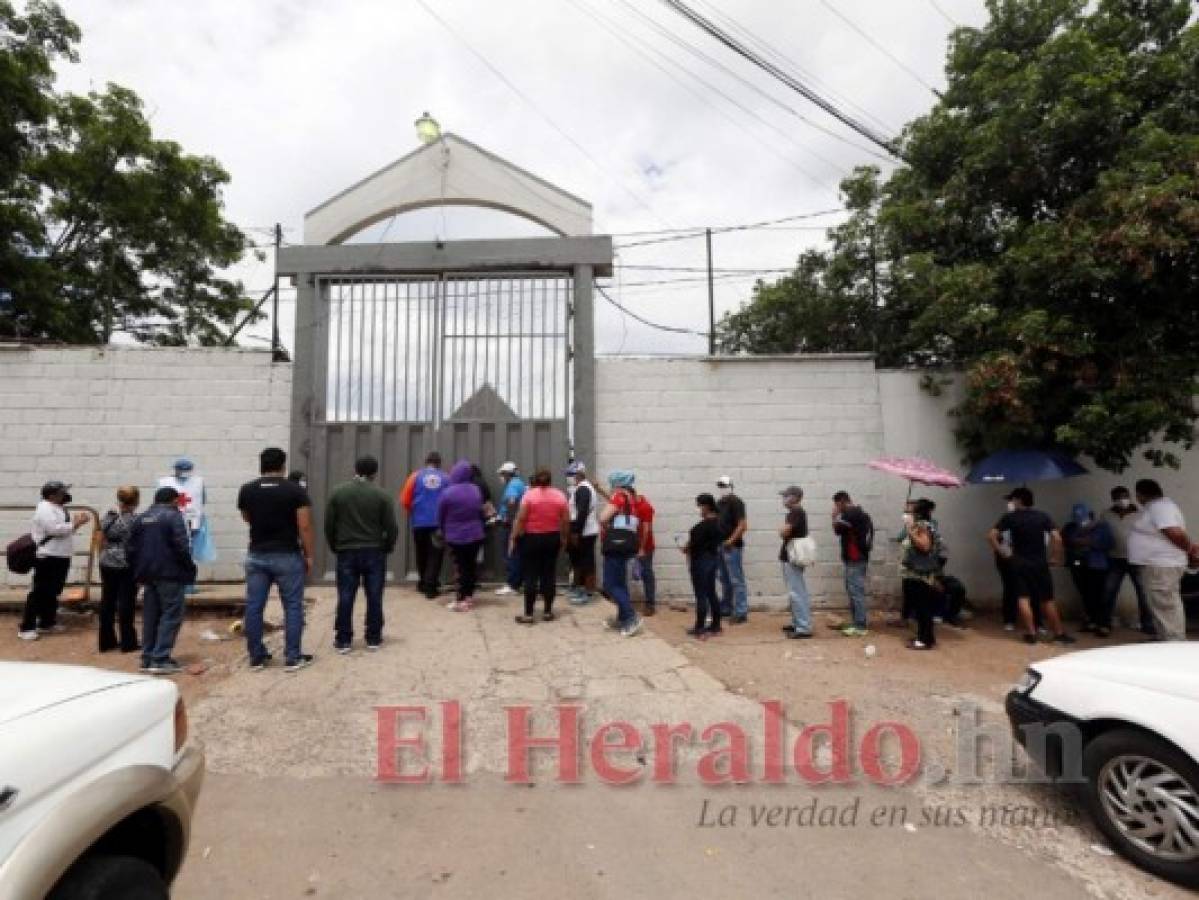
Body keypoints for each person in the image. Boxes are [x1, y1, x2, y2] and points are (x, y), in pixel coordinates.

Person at [237, 446, 316, 672]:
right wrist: (309, 555)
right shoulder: (295, 491)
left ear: (261, 465)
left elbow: (247, 518)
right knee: (292, 606)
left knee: (254, 607)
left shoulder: (247, 490)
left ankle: (256, 657)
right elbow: (305, 526)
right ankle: (293, 657)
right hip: (287, 555)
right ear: (283, 465)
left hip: (257, 554)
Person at [325, 455, 399, 653]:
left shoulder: (338, 493)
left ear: (355, 469)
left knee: (346, 594)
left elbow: (329, 524)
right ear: (375, 472)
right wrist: (388, 546)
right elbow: (391, 527)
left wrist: (335, 545)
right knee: (374, 595)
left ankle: (343, 640)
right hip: (374, 551)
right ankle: (373, 638)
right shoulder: (381, 495)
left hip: (346, 551)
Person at [988, 487, 1075, 645]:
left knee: (1023, 598)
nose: (1012, 502)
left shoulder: (1010, 518)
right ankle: (1058, 633)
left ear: (1019, 500)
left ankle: (1031, 633)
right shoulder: (1043, 516)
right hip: (1040, 563)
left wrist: (1002, 552)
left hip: (1019, 563)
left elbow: (991, 535)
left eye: (1013, 499)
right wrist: (1055, 557)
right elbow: (1057, 538)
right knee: (1047, 599)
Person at [127, 487, 196, 675]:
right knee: (172, 614)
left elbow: (131, 548)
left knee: (151, 616)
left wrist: (137, 572)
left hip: (147, 574)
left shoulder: (141, 518)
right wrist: (189, 568)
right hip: (169, 573)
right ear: (174, 501)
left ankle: (147, 657)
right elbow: (182, 546)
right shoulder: (173, 517)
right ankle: (160, 658)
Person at [17, 481, 90, 641]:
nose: (64, 495)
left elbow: (64, 529)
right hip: (48, 555)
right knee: (39, 592)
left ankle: (47, 622)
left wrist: (75, 524)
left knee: (53, 591)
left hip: (60, 555)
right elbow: (54, 530)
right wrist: (76, 523)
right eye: (60, 492)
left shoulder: (58, 507)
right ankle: (26, 627)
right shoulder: (44, 509)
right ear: (51, 495)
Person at [1128, 479, 1196, 642]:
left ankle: (1174, 641)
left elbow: (1175, 533)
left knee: (1166, 604)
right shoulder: (1158, 507)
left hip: (1161, 566)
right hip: (1157, 565)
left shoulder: (1159, 507)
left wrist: (1190, 549)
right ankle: (1163, 639)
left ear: (1139, 495)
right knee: (1159, 604)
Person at [510, 467, 570, 624]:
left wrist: (514, 537)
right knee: (549, 575)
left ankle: (529, 614)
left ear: (535, 480)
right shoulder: (559, 496)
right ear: (550, 480)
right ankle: (548, 612)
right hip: (552, 538)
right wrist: (563, 538)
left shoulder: (529, 496)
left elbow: (521, 519)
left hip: (531, 539)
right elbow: (565, 521)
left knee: (530, 575)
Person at [1101, 486, 1154, 635]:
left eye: (1124, 496)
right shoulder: (1106, 514)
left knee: (1143, 593)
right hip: (1114, 559)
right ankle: (1105, 623)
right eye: (1118, 497)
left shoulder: (1141, 514)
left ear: (1129, 497)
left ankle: (1147, 624)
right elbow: (1102, 534)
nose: (1122, 500)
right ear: (1113, 499)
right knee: (1108, 592)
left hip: (1137, 559)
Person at [437, 461, 486, 612]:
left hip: (456, 535)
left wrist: (442, 530)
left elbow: (441, 515)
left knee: (460, 567)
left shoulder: (448, 492)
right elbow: (480, 510)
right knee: (471, 566)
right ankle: (469, 597)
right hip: (476, 534)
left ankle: (460, 600)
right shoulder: (476, 490)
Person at [599, 471, 644, 637]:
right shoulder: (631, 498)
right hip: (627, 545)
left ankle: (631, 617)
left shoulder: (619, 496)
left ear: (617, 483)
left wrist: (603, 521)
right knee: (620, 583)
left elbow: (603, 518)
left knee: (610, 584)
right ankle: (622, 617)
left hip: (616, 546)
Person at [98, 486, 141, 653]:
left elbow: (101, 538)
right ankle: (128, 641)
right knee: (126, 603)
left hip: (107, 561)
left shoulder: (108, 516)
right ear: (136, 501)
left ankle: (106, 641)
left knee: (107, 601)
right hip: (125, 562)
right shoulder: (135, 520)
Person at [401, 452, 448, 599]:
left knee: (421, 554)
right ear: (439, 463)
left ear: (426, 462)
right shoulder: (446, 478)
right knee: (435, 554)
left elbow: (405, 500)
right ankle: (431, 587)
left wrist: (415, 511)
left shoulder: (414, 477)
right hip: (438, 523)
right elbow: (450, 499)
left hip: (419, 523)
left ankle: (423, 583)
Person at [1062, 503, 1114, 635]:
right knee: (1085, 594)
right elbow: (1068, 540)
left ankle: (1103, 624)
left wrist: (1083, 541)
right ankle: (1091, 621)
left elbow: (1106, 543)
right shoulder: (1070, 527)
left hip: (1097, 565)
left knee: (1100, 595)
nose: (1079, 519)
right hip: (1078, 565)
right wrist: (1086, 540)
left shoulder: (1102, 526)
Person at [158, 458, 209, 593]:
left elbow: (202, 500)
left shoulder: (198, 481)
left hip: (192, 523)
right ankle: (173, 583)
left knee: (188, 554)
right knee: (171, 552)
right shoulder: (164, 482)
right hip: (169, 523)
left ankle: (188, 584)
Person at [898, 502, 944, 650]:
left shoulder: (922, 526)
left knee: (922, 608)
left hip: (919, 574)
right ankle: (925, 637)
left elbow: (925, 546)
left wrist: (911, 531)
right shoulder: (925, 525)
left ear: (918, 512)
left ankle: (924, 640)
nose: (907, 512)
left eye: (910, 511)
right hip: (919, 573)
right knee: (922, 607)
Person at [831, 491, 874, 637]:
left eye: (837, 505)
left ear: (842, 501)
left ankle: (860, 625)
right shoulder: (863, 513)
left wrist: (834, 516)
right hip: (859, 557)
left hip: (855, 558)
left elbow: (837, 530)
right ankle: (857, 622)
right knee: (854, 590)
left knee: (855, 591)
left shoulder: (850, 514)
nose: (836, 508)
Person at [683, 493, 724, 639]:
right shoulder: (718, 523)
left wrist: (686, 548)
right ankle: (716, 625)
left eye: (700, 506)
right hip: (712, 559)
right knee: (711, 592)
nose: (699, 510)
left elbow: (694, 545)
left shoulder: (702, 527)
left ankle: (700, 627)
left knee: (701, 594)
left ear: (706, 506)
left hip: (700, 561)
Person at [778, 486, 812, 640]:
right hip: (790, 557)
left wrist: (781, 530)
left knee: (796, 592)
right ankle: (797, 622)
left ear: (795, 497)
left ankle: (803, 627)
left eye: (786, 496)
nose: (784, 499)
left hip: (792, 557)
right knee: (796, 592)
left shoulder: (796, 512)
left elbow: (784, 532)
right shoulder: (796, 512)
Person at [715, 476, 749, 624]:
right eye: (720, 485)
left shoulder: (736, 502)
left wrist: (731, 540)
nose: (722, 487)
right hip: (720, 545)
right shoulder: (720, 503)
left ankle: (741, 611)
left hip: (732, 547)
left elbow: (742, 525)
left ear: (731, 486)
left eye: (724, 485)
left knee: (736, 579)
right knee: (724, 578)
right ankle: (726, 607)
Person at [565, 462, 599, 604]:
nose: (569, 477)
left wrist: (576, 532)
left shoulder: (583, 489)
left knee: (586, 561)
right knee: (578, 560)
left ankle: (588, 592)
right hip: (582, 530)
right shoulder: (580, 488)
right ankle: (580, 588)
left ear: (579, 474)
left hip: (585, 531)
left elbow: (582, 512)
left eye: (571, 475)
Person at [494, 462, 527, 597]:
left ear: (508, 474)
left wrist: (506, 518)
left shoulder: (512, 485)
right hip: (517, 523)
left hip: (510, 524)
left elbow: (512, 502)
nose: (501, 477)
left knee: (511, 554)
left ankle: (512, 585)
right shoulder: (519, 483)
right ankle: (516, 583)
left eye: (502, 474)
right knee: (516, 554)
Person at [632, 486, 658, 616]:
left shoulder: (644, 507)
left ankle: (650, 604)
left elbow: (647, 529)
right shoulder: (632, 503)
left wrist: (641, 548)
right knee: (639, 573)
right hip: (634, 545)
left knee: (647, 574)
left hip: (645, 547)